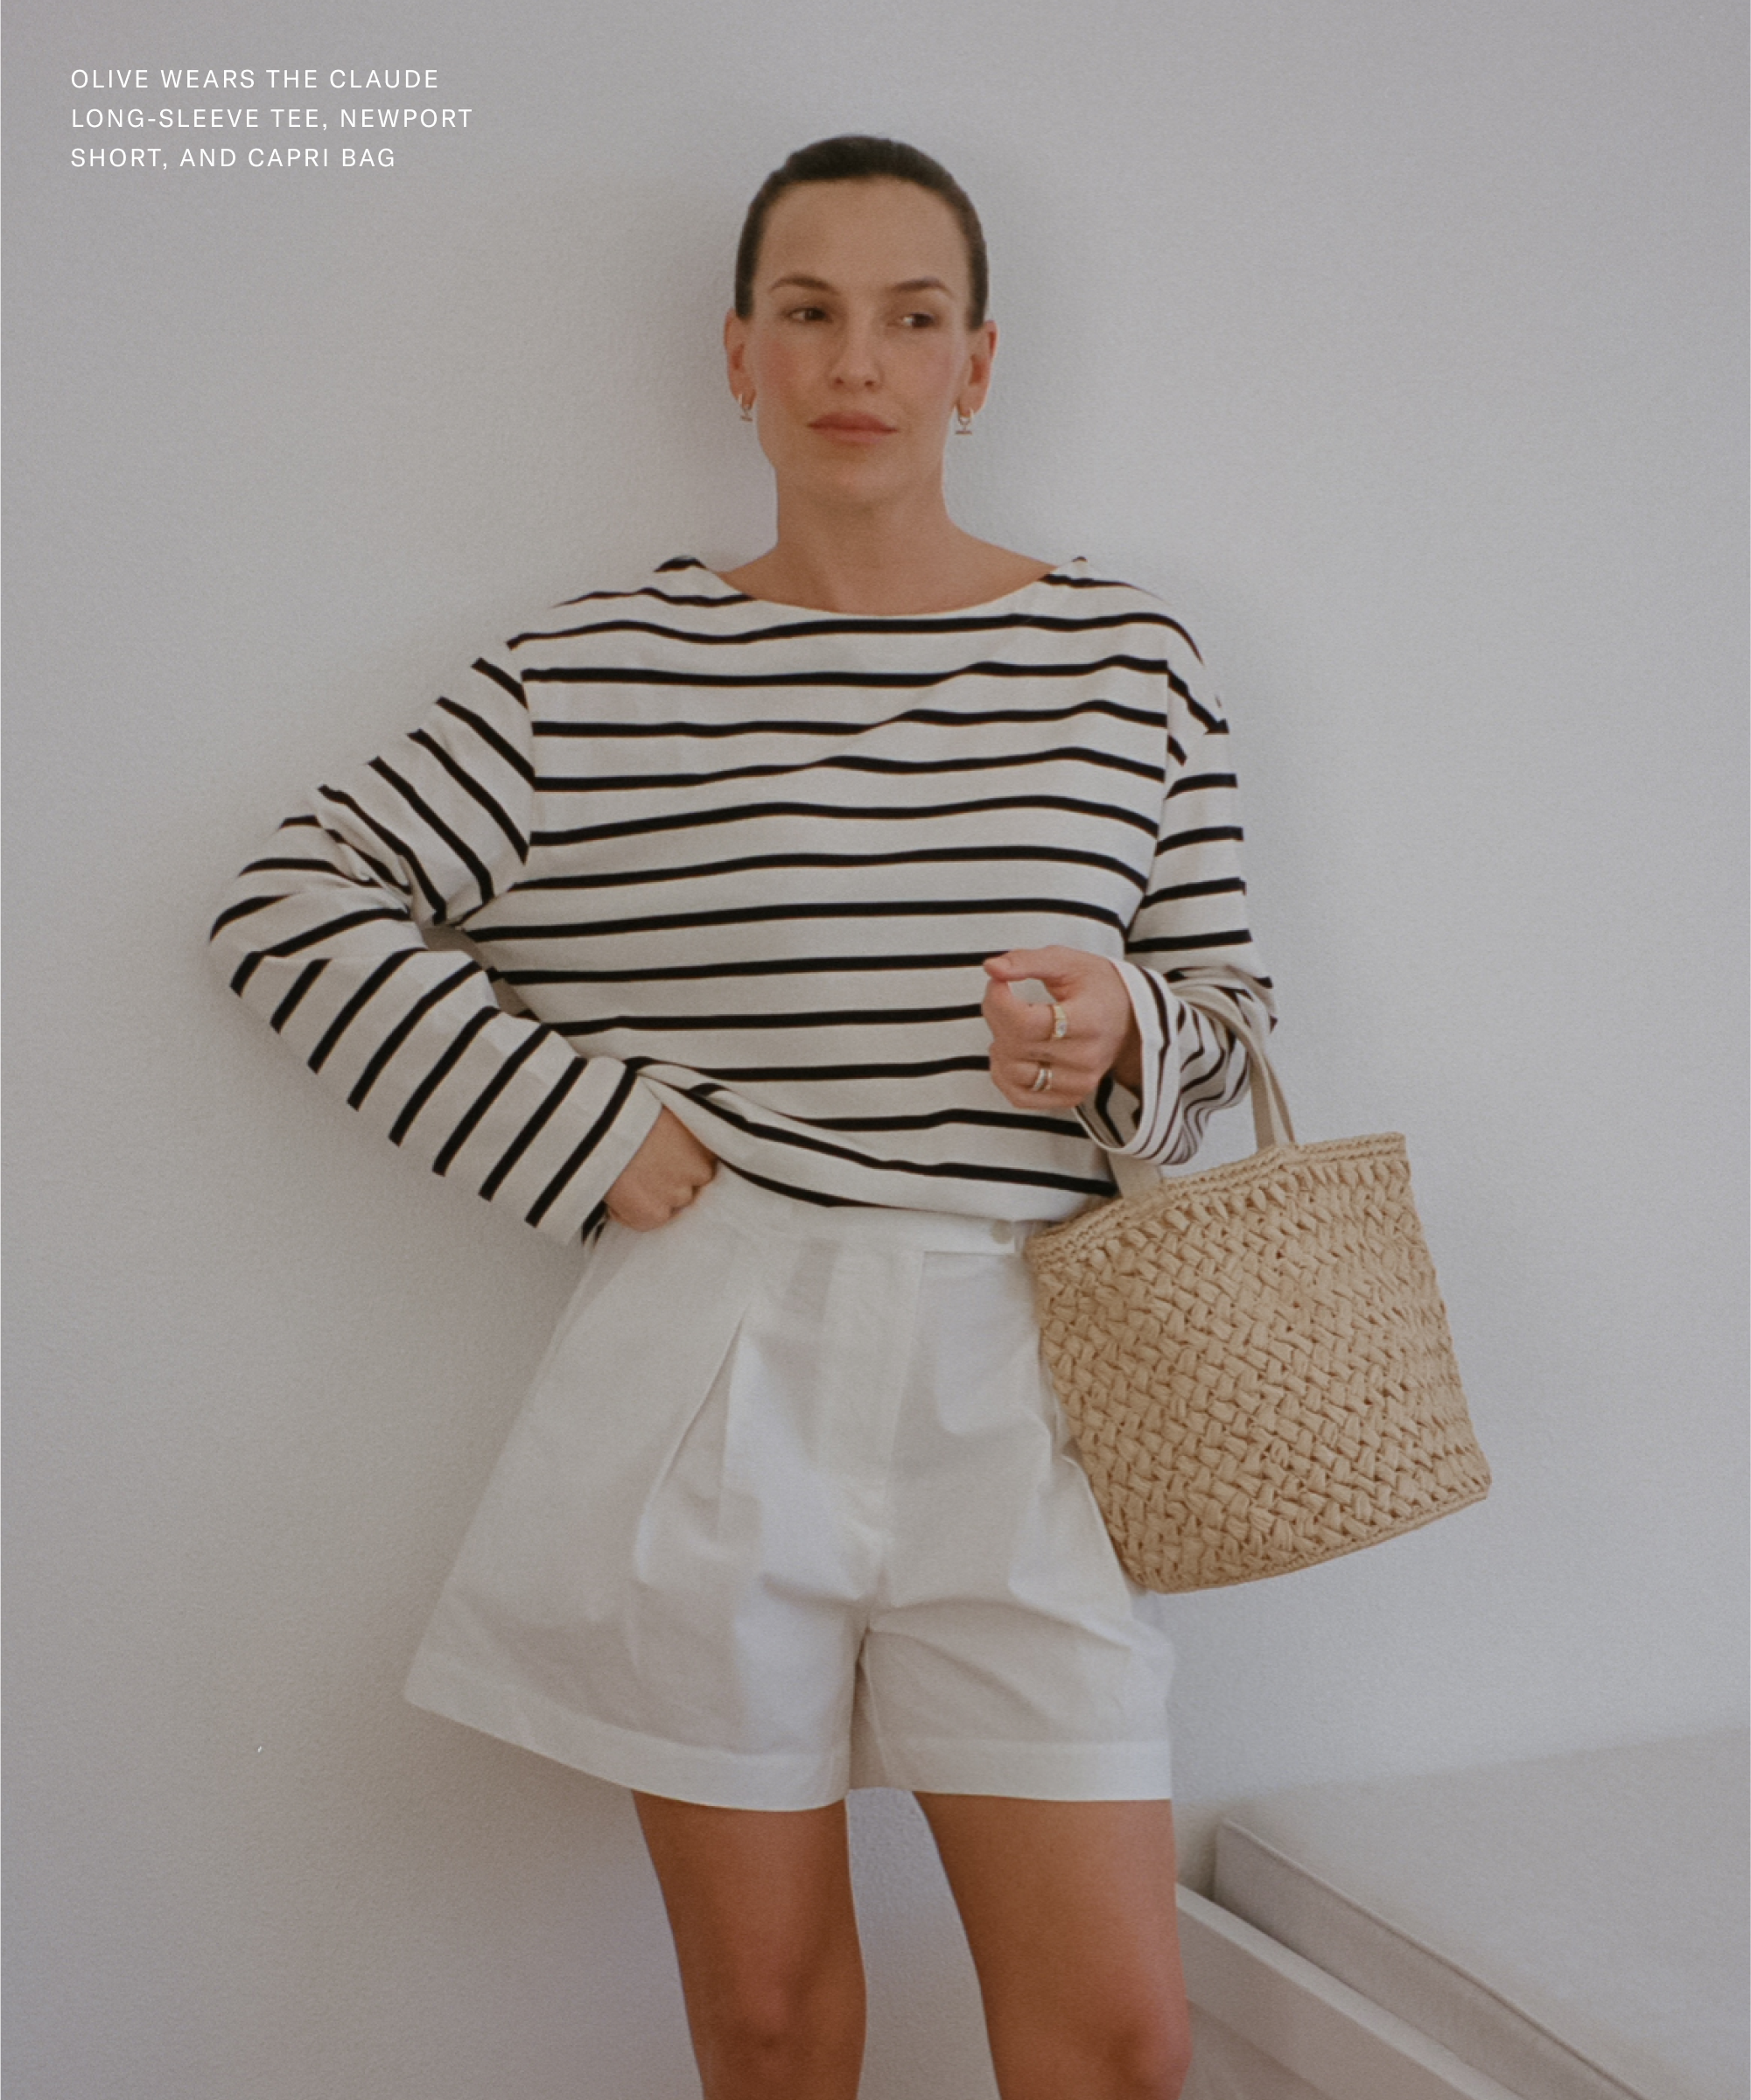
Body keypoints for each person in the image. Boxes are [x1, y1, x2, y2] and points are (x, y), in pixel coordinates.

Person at [209, 133, 1273, 2100]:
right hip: (715, 1355)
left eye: (909, 314)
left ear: (975, 363)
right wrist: (569, 1120)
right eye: (806, 310)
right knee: (766, 2024)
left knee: (1122, 2040)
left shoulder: (1129, 660)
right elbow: (290, 905)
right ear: (738, 352)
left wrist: (1124, 1028)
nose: (851, 358)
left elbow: (1231, 1021)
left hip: (1034, 1368)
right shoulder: (589, 671)